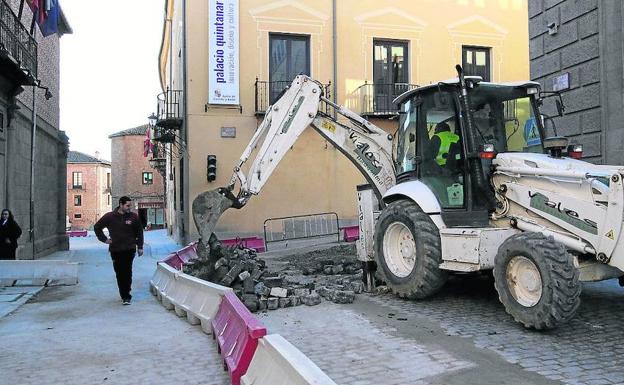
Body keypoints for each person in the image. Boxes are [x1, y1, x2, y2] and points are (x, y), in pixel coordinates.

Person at [94, 196, 144, 305]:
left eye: (130, 205)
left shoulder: (133, 217)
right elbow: (97, 227)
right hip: (115, 250)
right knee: (119, 273)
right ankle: (123, 293)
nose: (129, 208)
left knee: (127, 271)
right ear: (121, 204)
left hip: (129, 249)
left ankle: (126, 296)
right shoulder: (110, 217)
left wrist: (140, 247)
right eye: (127, 205)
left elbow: (139, 232)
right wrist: (104, 239)